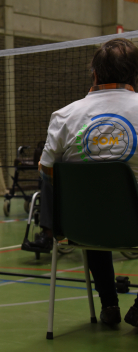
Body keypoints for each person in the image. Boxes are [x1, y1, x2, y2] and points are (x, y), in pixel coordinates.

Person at [26, 38, 138, 327]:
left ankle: (108, 303)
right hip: (135, 226)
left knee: (94, 217)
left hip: (80, 228)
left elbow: (46, 171)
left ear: (95, 75)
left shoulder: (64, 115)